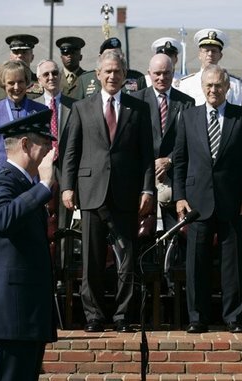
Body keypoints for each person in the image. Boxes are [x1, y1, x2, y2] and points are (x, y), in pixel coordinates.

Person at [61, 50, 154, 333]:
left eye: (118, 71)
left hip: (126, 194)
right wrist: (67, 186)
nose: (113, 76)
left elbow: (146, 155)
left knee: (126, 259)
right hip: (90, 193)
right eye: (108, 71)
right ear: (98, 74)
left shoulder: (138, 109)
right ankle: (93, 316)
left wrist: (147, 189)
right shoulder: (82, 107)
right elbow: (71, 152)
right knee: (92, 260)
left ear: (125, 76)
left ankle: (123, 316)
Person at [173, 64, 242, 333]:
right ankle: (197, 317)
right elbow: (179, 161)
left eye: (218, 85)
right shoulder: (188, 117)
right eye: (209, 85)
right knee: (196, 263)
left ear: (227, 87)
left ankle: (233, 317)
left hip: (232, 200)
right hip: (197, 203)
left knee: (233, 264)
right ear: (202, 87)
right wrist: (179, 197)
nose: (213, 90)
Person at [0, 109, 57, 381]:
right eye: (45, 144)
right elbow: (1, 219)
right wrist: (44, 186)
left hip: (26, 314)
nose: (50, 152)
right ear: (25, 144)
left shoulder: (23, 183)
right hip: (11, 315)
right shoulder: (1, 181)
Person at [132, 54, 195, 239]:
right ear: (149, 74)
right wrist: (152, 164)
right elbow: (131, 139)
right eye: (157, 73)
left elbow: (191, 140)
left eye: (166, 73)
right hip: (144, 174)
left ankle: (172, 265)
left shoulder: (186, 102)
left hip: (174, 175)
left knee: (175, 233)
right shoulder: (136, 101)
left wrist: (169, 160)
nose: (162, 78)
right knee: (142, 232)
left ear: (173, 73)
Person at [0, 60, 48, 195]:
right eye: (11, 83)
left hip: (30, 177)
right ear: (3, 84)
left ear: (27, 82)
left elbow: (45, 151)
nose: (16, 87)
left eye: (20, 82)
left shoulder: (40, 111)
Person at [35, 59, 76, 230]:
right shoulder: (33, 106)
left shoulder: (75, 106)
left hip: (66, 170)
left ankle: (63, 258)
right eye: (46, 74)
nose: (51, 77)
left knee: (63, 227)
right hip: (40, 169)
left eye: (54, 73)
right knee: (40, 222)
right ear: (39, 80)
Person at [178, 28, 242, 106]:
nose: (210, 54)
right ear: (199, 54)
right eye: (206, 50)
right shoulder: (187, 84)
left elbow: (239, 110)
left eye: (214, 51)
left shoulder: (235, 84)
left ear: (220, 55)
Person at [74, 37, 146, 99]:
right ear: (100, 57)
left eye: (117, 55)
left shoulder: (138, 78)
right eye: (108, 55)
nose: (112, 59)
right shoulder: (85, 79)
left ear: (123, 56)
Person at [0, 34, 43, 105]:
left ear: (32, 57)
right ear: (10, 57)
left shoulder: (40, 81)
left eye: (24, 52)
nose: (20, 55)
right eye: (16, 52)